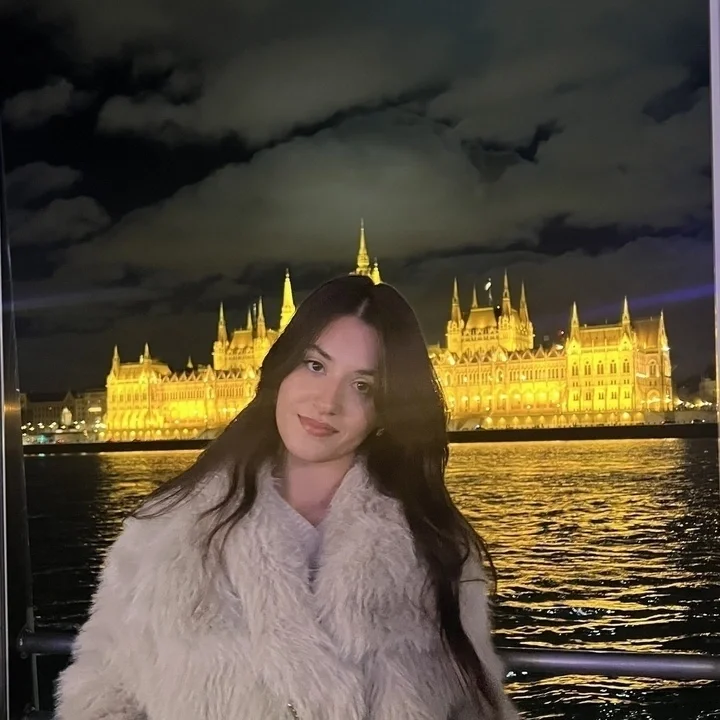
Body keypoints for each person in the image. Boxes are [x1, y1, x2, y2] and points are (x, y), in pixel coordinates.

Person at [55, 274, 518, 720]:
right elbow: (101, 694)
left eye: (363, 386)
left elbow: (476, 703)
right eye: (315, 365)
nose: (327, 402)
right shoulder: (165, 531)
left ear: (386, 409)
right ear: (281, 369)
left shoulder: (436, 546)